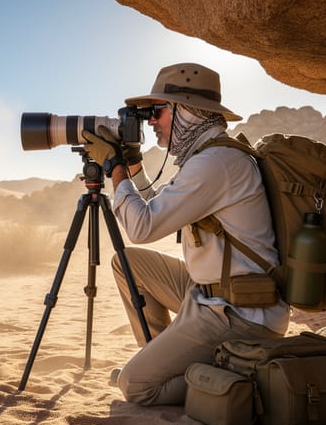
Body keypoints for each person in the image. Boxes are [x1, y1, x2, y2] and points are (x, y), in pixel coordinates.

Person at [82, 63, 289, 406]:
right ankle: (160, 360)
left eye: (158, 112)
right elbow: (153, 209)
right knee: (128, 264)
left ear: (188, 112)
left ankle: (225, 375)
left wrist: (114, 170)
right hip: (210, 293)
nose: (151, 122)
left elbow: (141, 226)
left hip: (240, 312)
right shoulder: (208, 156)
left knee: (136, 386)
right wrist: (132, 165)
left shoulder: (215, 163)